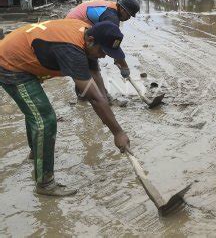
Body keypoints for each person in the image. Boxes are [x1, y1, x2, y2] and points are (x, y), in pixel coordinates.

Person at [0, 20, 131, 196]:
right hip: (10, 64)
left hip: (23, 59)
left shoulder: (86, 38)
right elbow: (94, 98)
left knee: (36, 112)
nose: (103, 56)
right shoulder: (71, 49)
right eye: (102, 51)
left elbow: (96, 83)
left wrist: (107, 96)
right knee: (45, 119)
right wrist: (118, 133)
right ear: (91, 40)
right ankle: (45, 184)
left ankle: (37, 153)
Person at [65, 0, 140, 78]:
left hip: (76, 23)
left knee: (92, 61)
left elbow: (112, 43)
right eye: (129, 15)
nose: (128, 18)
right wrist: (124, 66)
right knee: (88, 61)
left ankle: (91, 83)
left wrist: (117, 57)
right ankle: (86, 85)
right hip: (72, 27)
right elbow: (112, 43)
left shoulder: (112, 7)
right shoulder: (112, 18)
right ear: (122, 9)